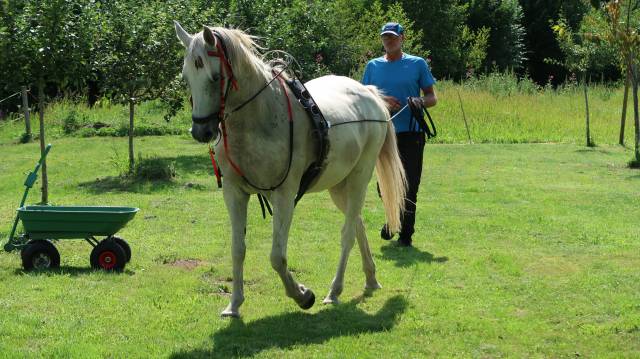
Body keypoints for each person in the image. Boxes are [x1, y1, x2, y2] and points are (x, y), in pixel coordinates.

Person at [362, 22, 437, 247]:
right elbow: (363, 96)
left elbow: (432, 97)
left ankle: (405, 236)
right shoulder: (372, 66)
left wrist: (419, 101)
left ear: (402, 38)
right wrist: (383, 101)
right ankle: (392, 220)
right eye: (385, 37)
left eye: (393, 37)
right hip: (383, 134)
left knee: (410, 184)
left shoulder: (417, 64)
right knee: (383, 185)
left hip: (411, 133)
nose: (389, 40)